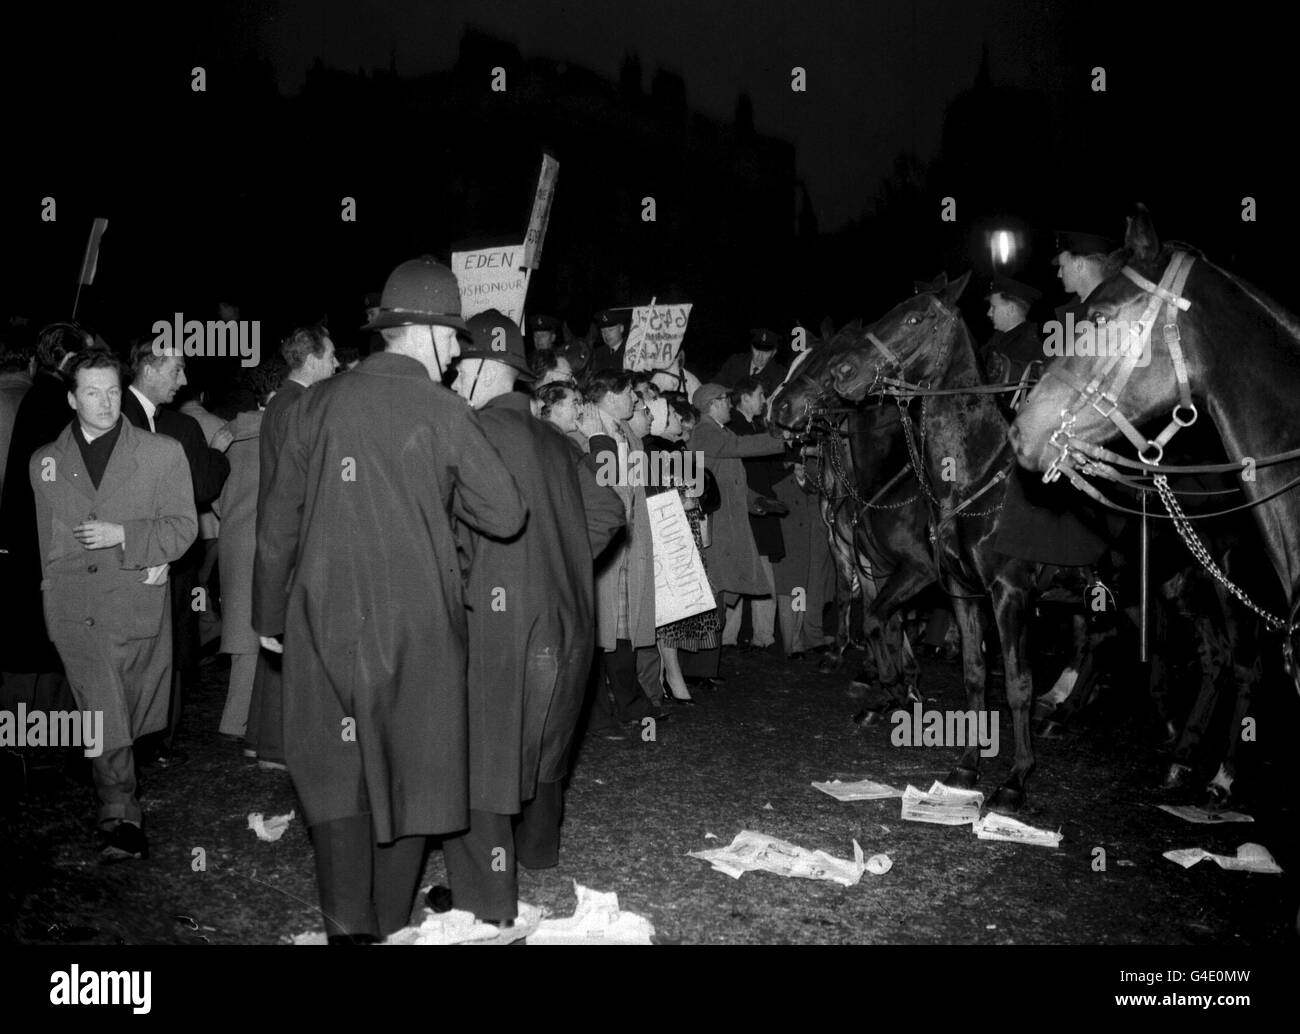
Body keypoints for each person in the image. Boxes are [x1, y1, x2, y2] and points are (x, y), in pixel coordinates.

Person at [253, 255, 526, 944]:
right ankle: (388, 923)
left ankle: (349, 931)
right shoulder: (443, 409)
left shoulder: (314, 403)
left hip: (320, 622)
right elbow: (506, 512)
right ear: (430, 332)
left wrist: (267, 617)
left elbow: (276, 522)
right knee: (411, 776)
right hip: (417, 630)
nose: (457, 352)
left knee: (338, 783)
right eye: (454, 338)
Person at [435, 309, 624, 926]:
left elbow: (451, 538)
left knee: (492, 742)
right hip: (567, 615)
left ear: (486, 368)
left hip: (502, 618)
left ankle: (492, 882)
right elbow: (609, 514)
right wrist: (562, 558)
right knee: (549, 733)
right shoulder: (558, 441)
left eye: (463, 363)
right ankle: (541, 850)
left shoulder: (468, 435)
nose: (455, 373)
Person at [30, 350, 196, 861]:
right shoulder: (46, 462)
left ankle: (118, 796)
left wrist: (131, 539)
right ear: (71, 398)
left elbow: (183, 527)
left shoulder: (162, 452)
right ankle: (120, 815)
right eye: (92, 393)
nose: (104, 403)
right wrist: (51, 602)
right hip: (76, 610)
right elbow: (49, 544)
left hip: (133, 603)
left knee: (129, 715)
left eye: (112, 392)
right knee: (103, 715)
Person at [120, 338, 231, 770]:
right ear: (149, 369)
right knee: (160, 649)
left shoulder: (153, 420)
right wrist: (216, 456)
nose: (184, 381)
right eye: (177, 370)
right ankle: (150, 741)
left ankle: (141, 742)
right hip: (145, 558)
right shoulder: (169, 428)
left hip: (144, 556)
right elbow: (202, 487)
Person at [245, 325, 340, 769]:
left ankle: (265, 741)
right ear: (313, 358)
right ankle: (280, 746)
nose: (337, 363)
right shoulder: (299, 405)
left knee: (278, 644)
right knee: (291, 642)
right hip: (295, 539)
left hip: (283, 535)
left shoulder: (282, 400)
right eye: (332, 355)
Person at [0, 324, 97, 722]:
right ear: (70, 359)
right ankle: (37, 732)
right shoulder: (54, 400)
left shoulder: (44, 394)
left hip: (32, 534)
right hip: (43, 536)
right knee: (43, 635)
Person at [583, 369, 665, 726]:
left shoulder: (627, 433)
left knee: (620, 626)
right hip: (603, 541)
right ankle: (603, 709)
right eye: (630, 393)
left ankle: (624, 704)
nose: (635, 400)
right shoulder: (584, 433)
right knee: (602, 625)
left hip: (627, 543)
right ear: (613, 395)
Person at [689, 383, 788, 655]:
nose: (730, 404)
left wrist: (758, 502)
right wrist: (783, 437)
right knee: (717, 591)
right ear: (712, 403)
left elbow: (734, 482)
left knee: (723, 591)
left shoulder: (722, 432)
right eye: (725, 400)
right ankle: (703, 660)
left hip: (729, 523)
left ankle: (709, 659)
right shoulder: (704, 431)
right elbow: (739, 447)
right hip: (715, 525)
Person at [214, 360, 284, 745]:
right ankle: (241, 722)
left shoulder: (230, 432)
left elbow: (215, 496)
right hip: (264, 540)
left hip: (234, 539)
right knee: (264, 635)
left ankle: (240, 720)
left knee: (244, 637)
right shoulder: (277, 432)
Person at [645, 397, 718, 702]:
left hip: (683, 531)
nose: (683, 429)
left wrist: (692, 499)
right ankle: (671, 680)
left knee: (677, 611)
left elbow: (708, 489)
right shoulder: (650, 450)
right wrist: (683, 500)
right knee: (669, 612)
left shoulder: (676, 451)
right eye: (676, 419)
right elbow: (653, 497)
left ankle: (666, 677)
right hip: (667, 536)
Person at [978, 275, 1042, 390]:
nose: (989, 313)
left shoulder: (1031, 346)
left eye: (993, 307)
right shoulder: (995, 340)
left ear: (1010, 310)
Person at [712, 328, 789, 394]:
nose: (760, 356)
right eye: (757, 350)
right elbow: (715, 385)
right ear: (751, 347)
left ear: (773, 353)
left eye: (766, 352)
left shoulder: (780, 376)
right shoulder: (735, 362)